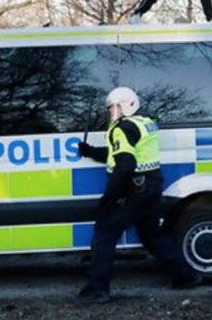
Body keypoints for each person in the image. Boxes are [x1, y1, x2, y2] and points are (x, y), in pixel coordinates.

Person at [75, 87, 199, 304]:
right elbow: (119, 153)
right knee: (152, 235)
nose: (112, 112)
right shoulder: (144, 123)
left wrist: (109, 198)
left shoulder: (121, 128)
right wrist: (91, 151)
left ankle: (97, 290)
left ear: (127, 104)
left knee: (105, 232)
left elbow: (125, 164)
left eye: (114, 107)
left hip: (135, 190)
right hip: (151, 187)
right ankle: (186, 276)